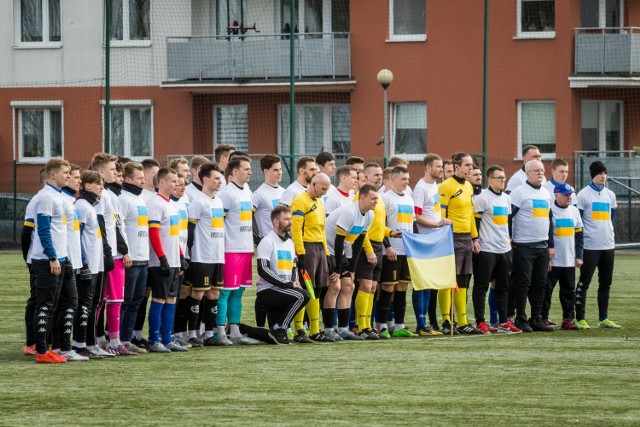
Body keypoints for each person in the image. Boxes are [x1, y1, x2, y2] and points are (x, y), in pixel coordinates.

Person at [29, 158, 71, 363]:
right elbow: (44, 230)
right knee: (44, 306)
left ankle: (46, 349)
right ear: (53, 174)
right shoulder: (46, 198)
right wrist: (53, 257)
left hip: (59, 259)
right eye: (65, 172)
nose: (69, 176)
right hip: (47, 261)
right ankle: (41, 352)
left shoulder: (58, 197)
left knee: (52, 305)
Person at [94, 153, 135, 355]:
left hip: (113, 254)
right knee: (109, 300)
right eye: (112, 170)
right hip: (110, 256)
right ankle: (110, 342)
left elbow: (116, 226)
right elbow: (106, 228)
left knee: (110, 300)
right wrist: (123, 251)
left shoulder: (112, 195)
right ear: (101, 172)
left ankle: (103, 340)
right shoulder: (104, 196)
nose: (116, 173)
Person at [472, 165, 521, 335]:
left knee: (502, 287)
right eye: (499, 178)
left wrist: (509, 243)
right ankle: (480, 321)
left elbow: (507, 224)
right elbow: (475, 223)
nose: (503, 181)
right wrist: (475, 241)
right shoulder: (482, 199)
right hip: (486, 249)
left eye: (504, 178)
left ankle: (503, 322)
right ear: (490, 180)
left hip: (504, 249)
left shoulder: (507, 199)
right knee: (481, 286)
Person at [324, 185, 378, 340]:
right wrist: (339, 268)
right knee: (335, 285)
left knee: (349, 286)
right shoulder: (349, 212)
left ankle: (342, 328)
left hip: (342, 250)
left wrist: (352, 269)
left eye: (377, 198)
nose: (376, 201)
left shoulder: (370, 215)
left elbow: (359, 242)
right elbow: (338, 240)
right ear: (362, 198)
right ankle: (328, 329)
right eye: (373, 198)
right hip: (329, 248)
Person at [438, 153, 482, 335]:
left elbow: (471, 215)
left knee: (464, 279)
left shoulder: (469, 186)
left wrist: (475, 238)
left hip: (466, 238)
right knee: (449, 279)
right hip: (451, 237)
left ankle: (463, 320)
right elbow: (440, 214)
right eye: (467, 165)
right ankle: (447, 320)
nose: (470, 168)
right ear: (456, 166)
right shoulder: (446, 186)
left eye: (471, 165)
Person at [353, 163, 399, 339]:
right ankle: (361, 326)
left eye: (381, 174)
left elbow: (377, 225)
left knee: (372, 287)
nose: (380, 177)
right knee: (365, 285)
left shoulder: (378, 198)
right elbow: (360, 228)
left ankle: (367, 325)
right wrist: (369, 250)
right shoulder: (360, 198)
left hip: (378, 245)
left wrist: (390, 233)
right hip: (366, 245)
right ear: (365, 177)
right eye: (375, 175)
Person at [216, 155, 259, 345]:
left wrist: (253, 243)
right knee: (225, 292)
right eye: (246, 169)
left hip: (245, 249)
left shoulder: (247, 191)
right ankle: (219, 332)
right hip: (230, 249)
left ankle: (235, 331)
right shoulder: (226, 193)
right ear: (234, 172)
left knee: (239, 291)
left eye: (250, 169)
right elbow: (219, 223)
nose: (250, 172)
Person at [508, 159, 554, 333]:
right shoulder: (519, 193)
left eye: (542, 170)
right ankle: (520, 317)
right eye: (536, 170)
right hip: (523, 246)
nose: (540, 173)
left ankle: (536, 318)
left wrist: (550, 244)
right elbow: (509, 219)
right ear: (527, 173)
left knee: (540, 283)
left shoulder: (546, 193)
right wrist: (511, 242)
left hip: (542, 246)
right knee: (523, 282)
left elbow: (549, 220)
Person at [146, 167, 189, 352]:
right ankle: (154, 340)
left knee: (171, 299)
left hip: (173, 261)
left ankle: (167, 338)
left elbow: (174, 234)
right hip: (160, 263)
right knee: (159, 299)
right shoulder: (155, 203)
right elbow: (154, 233)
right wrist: (162, 258)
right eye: (172, 181)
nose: (176, 184)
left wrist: (180, 256)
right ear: (161, 182)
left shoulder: (171, 203)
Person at [255, 205, 311, 344]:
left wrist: (295, 282)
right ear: (276, 222)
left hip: (284, 289)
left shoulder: (290, 243)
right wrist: (288, 284)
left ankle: (241, 329)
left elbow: (294, 268)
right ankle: (280, 326)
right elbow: (262, 269)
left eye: (291, 218)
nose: (290, 222)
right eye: (286, 219)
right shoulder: (267, 241)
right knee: (303, 295)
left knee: (275, 339)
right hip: (268, 290)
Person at [574, 161, 620, 329]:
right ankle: (580, 319)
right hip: (589, 247)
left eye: (605, 173)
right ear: (593, 175)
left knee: (605, 283)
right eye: (600, 173)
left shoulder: (610, 195)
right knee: (584, 283)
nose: (603, 176)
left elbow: (611, 215)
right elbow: (577, 222)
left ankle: (603, 318)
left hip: (608, 245)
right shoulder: (583, 195)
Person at [186, 163, 227, 346]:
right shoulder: (198, 201)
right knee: (198, 293)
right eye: (216, 178)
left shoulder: (218, 201)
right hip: (202, 256)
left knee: (214, 294)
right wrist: (189, 250)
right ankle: (192, 334)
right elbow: (190, 229)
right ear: (205, 180)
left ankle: (209, 334)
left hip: (218, 255)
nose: (220, 182)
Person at [290, 173, 332, 342]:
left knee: (319, 288)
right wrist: (300, 252)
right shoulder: (301, 200)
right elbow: (295, 229)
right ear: (313, 183)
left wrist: (327, 253)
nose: (324, 192)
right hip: (307, 248)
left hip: (320, 248)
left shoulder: (320, 202)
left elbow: (322, 230)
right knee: (306, 287)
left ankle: (315, 330)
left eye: (327, 189)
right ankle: (299, 329)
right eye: (323, 188)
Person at [412, 154, 450, 336]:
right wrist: (437, 224)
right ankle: (421, 324)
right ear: (427, 168)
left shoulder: (434, 185)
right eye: (438, 166)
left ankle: (426, 324)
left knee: (430, 284)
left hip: (435, 239)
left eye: (442, 166)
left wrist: (440, 222)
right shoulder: (420, 189)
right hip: (424, 240)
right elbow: (417, 217)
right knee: (422, 283)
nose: (441, 169)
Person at [378, 166, 418, 338]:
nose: (406, 182)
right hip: (391, 250)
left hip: (406, 250)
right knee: (388, 287)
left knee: (402, 286)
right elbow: (379, 226)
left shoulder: (409, 199)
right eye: (403, 179)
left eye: (408, 179)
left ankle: (400, 325)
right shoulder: (384, 199)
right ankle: (382, 326)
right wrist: (387, 246)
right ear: (393, 179)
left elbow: (413, 224)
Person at [72, 171, 107, 358]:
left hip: (98, 264)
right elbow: (78, 236)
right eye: (98, 183)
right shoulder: (82, 206)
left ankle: (91, 343)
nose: (101, 187)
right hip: (89, 266)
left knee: (94, 304)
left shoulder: (92, 206)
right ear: (87, 186)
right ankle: (80, 344)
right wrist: (83, 263)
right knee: (85, 305)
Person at [52, 163, 85, 361]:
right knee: (68, 303)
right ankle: (61, 347)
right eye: (74, 176)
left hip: (71, 260)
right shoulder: (63, 201)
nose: (78, 180)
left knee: (68, 303)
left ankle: (60, 346)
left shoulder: (71, 201)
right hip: (64, 260)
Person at [118, 162, 150, 353]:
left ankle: (127, 338)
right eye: (139, 178)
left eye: (143, 178)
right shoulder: (123, 199)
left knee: (136, 301)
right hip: (129, 259)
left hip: (143, 258)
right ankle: (115, 338)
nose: (143, 181)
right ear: (128, 179)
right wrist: (125, 252)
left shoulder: (140, 200)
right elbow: (119, 228)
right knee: (125, 301)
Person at [542, 183, 583, 331]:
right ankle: (543, 317)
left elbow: (579, 235)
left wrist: (579, 256)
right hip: (554, 260)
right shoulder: (550, 211)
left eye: (570, 194)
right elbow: (546, 235)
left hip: (569, 260)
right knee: (547, 290)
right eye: (566, 194)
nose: (569, 197)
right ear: (556, 195)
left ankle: (568, 319)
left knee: (569, 291)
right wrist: (547, 257)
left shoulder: (574, 211)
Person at [132, 158, 159, 349]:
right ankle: (130, 333)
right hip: (140, 255)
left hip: (151, 257)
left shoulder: (154, 197)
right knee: (136, 296)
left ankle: (138, 333)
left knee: (146, 294)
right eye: (155, 174)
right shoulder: (141, 197)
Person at [21, 168, 48, 356]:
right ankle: (31, 342)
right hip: (38, 259)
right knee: (37, 300)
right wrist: (27, 258)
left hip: (47, 258)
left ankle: (47, 341)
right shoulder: (37, 200)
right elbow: (26, 232)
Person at [252, 154, 285, 241]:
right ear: (266, 172)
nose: (280, 172)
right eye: (275, 170)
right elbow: (247, 218)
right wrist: (256, 239)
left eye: (280, 169)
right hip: (268, 242)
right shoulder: (258, 194)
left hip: (284, 241)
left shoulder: (284, 192)